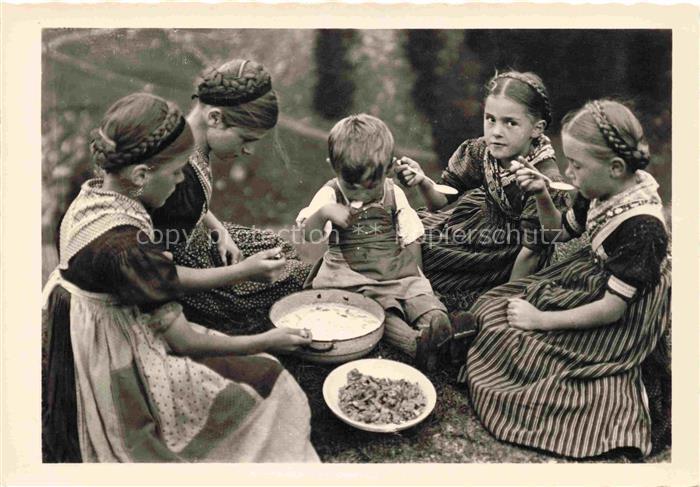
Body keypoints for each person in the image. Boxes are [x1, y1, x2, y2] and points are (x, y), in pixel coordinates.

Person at [42, 93, 319, 463]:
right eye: (176, 173)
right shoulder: (127, 250)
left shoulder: (98, 195)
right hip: (105, 344)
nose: (178, 182)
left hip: (80, 319)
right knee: (269, 386)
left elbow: (141, 269)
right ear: (141, 175)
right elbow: (186, 341)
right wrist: (266, 341)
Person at [462, 100, 671, 458]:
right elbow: (558, 233)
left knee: (529, 347)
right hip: (594, 279)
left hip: (621, 310)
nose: (569, 173)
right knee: (493, 308)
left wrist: (542, 320)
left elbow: (611, 310)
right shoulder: (599, 190)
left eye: (576, 165)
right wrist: (543, 193)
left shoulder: (643, 227)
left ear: (616, 167)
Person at [296, 114, 471, 371]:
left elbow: (410, 236)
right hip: (350, 278)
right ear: (334, 167)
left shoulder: (393, 193)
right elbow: (309, 236)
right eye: (352, 185)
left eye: (370, 185)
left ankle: (441, 329)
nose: (361, 194)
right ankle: (416, 343)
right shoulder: (330, 194)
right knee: (373, 312)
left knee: (420, 298)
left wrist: (417, 280)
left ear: (388, 168)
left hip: (394, 268)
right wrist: (323, 214)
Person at [150, 59, 310, 335]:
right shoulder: (174, 174)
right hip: (179, 282)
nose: (248, 151)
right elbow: (156, 274)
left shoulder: (188, 138)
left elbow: (192, 208)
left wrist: (220, 231)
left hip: (195, 242)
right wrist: (243, 272)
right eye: (246, 139)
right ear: (214, 117)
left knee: (278, 248)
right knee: (294, 278)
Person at [396, 71, 569, 307]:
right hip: (477, 217)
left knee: (428, 255)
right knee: (408, 231)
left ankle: (421, 293)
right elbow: (438, 202)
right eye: (490, 119)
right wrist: (423, 181)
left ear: (536, 129)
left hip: (509, 246)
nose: (496, 131)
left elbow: (532, 252)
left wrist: (505, 299)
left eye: (510, 122)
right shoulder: (481, 151)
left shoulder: (542, 179)